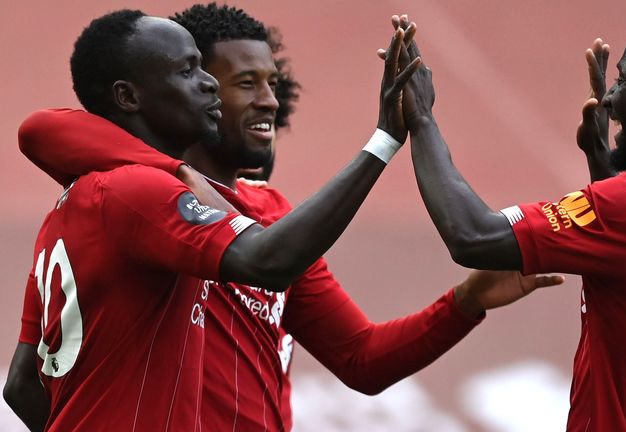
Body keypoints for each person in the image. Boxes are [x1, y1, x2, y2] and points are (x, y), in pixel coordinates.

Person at [6, 6, 564, 432]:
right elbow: (39, 128)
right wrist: (386, 137)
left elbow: (361, 359)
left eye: (273, 84)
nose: (270, 101)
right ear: (138, 92)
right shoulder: (140, 195)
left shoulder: (264, 215)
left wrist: (463, 303)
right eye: (243, 83)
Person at [393, 14, 626, 431]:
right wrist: (602, 162)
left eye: (625, 82)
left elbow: (472, 235)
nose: (609, 99)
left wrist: (421, 118)